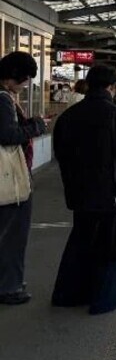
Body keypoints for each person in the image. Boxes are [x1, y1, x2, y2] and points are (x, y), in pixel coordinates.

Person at [51, 64, 116, 314]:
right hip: (111, 194)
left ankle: (69, 295)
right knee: (112, 245)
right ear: (112, 87)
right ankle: (104, 301)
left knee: (81, 241)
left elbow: (59, 152)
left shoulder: (68, 116)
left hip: (78, 193)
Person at [0, 51, 47, 305]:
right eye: (25, 79)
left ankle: (8, 281)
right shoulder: (3, 100)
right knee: (13, 234)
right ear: (12, 78)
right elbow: (7, 135)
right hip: (9, 178)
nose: (26, 84)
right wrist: (37, 126)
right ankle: (9, 286)